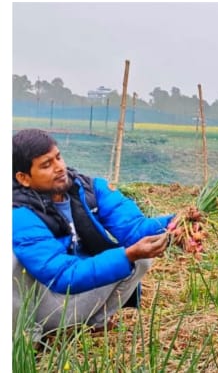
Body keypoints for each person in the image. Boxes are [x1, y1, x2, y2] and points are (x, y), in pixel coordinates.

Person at [12, 129, 173, 340]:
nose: (59, 167)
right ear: (24, 178)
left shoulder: (88, 189)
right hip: (41, 309)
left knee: (140, 259)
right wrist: (126, 255)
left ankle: (94, 325)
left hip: (79, 299)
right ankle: (24, 340)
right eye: (46, 165)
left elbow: (134, 228)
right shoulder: (19, 213)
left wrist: (175, 224)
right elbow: (62, 275)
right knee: (13, 260)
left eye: (58, 157)